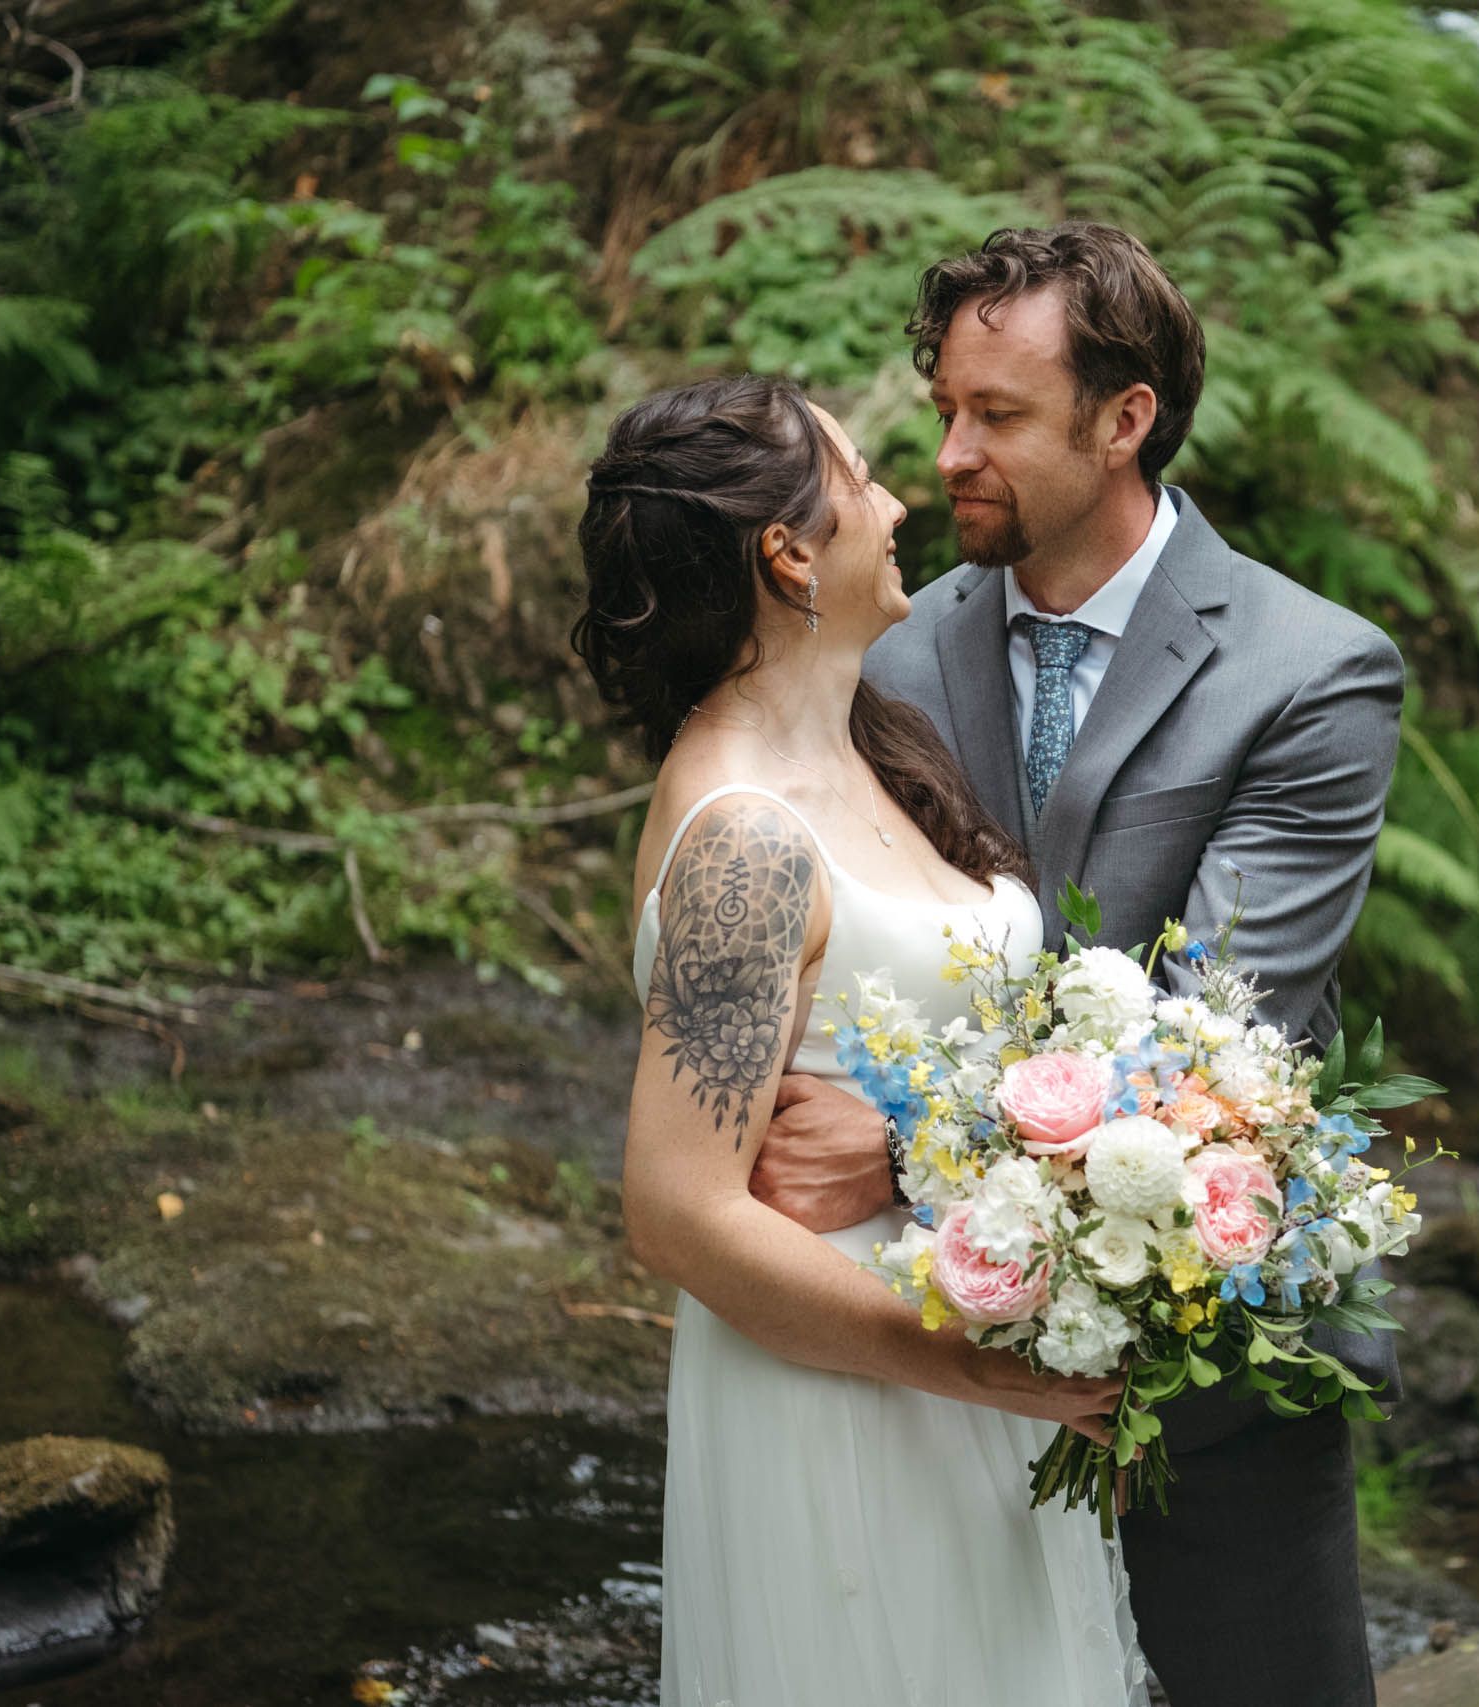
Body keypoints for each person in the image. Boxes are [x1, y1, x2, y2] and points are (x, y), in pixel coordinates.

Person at [748, 222, 1406, 1707]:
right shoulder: (895, 652)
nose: (949, 456)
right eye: (944, 412)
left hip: (1211, 1370)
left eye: (1001, 417)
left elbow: (1219, 1037)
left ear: (1126, 421)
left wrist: (910, 1141)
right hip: (933, 1369)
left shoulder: (1311, 674)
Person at [573, 372, 1146, 1707]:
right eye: (861, 478)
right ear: (786, 552)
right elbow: (676, 1210)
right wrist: (974, 1364)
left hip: (974, 1376)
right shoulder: (745, 841)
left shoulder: (882, 750)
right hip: (850, 1402)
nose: (899, 501)